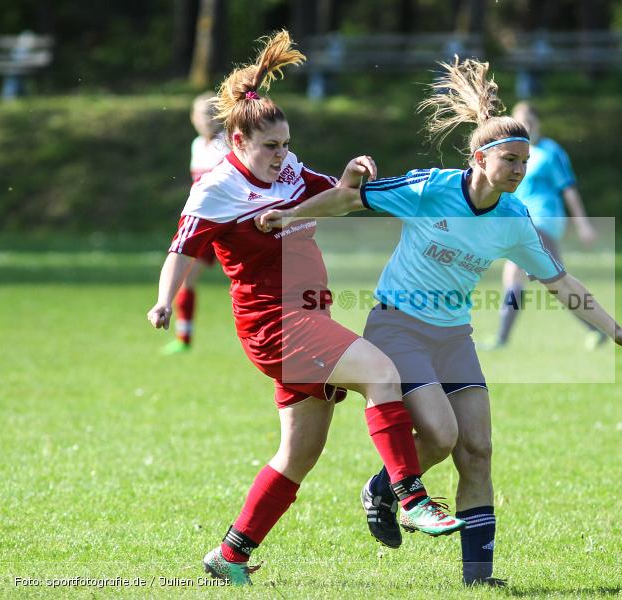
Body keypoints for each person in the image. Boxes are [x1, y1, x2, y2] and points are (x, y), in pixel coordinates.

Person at [255, 57, 622, 587]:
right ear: (479, 158)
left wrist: (615, 330)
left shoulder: (515, 220)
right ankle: (390, 488)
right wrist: (287, 216)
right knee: (443, 436)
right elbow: (351, 198)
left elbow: (561, 282)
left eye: (525, 162)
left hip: (454, 337)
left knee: (477, 449)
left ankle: (477, 577)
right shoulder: (430, 189)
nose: (520, 170)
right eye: (511, 160)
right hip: (397, 327)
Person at [146, 31, 465, 586]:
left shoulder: (290, 170)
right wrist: (163, 301)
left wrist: (352, 176)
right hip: (275, 325)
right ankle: (410, 498)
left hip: (310, 319)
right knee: (382, 373)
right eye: (270, 146)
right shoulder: (216, 189)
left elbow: (340, 199)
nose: (283, 155)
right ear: (237, 141)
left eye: (287, 143)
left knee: (298, 454)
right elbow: (181, 250)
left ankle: (230, 556)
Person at [490, 101, 609, 350]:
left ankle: (501, 339)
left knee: (537, 278)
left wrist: (582, 223)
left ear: (538, 122)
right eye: (521, 123)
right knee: (554, 281)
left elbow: (568, 188)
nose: (527, 127)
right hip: (522, 222)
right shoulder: (511, 154)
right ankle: (596, 329)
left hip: (543, 219)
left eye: (530, 122)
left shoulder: (550, 152)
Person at [162, 92, 229, 354]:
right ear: (193, 117)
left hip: (229, 223)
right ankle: (184, 337)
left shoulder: (229, 143)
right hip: (205, 223)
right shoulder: (196, 145)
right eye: (203, 113)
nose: (208, 119)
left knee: (244, 279)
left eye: (214, 113)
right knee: (186, 277)